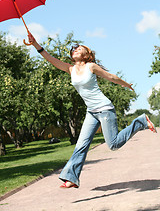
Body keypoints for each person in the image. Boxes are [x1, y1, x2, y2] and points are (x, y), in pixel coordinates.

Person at [28, 33, 157, 189]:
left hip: (105, 109)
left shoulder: (91, 66)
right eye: (73, 49)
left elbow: (111, 77)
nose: (74, 49)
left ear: (86, 54)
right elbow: (50, 58)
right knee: (81, 145)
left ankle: (141, 121)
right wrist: (35, 44)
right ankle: (72, 177)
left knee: (113, 145)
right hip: (91, 112)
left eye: (78, 48)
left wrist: (125, 84)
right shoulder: (70, 69)